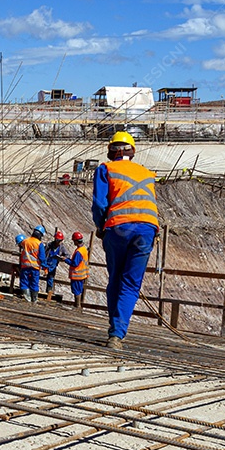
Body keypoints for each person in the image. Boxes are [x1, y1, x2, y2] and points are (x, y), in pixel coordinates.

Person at [92, 131, 159, 350]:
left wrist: (101, 226)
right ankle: (117, 335)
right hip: (147, 228)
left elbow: (100, 204)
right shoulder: (147, 173)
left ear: (112, 151)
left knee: (116, 279)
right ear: (132, 151)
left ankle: (114, 330)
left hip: (118, 227)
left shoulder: (106, 168)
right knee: (130, 283)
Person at [17, 225, 47, 303]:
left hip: (25, 266)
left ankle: (27, 299)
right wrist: (45, 268)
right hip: (35, 268)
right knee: (34, 283)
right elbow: (42, 257)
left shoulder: (25, 241)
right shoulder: (39, 244)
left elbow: (20, 244)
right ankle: (34, 299)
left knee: (24, 282)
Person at [64, 231, 89, 311]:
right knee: (78, 291)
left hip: (77, 275)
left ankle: (77, 307)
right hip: (82, 275)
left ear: (76, 241)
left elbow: (75, 263)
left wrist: (65, 260)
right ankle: (77, 306)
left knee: (76, 291)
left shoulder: (79, 252)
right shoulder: (83, 249)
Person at [43, 231, 67, 298]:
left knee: (50, 278)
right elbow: (43, 252)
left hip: (53, 265)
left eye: (60, 240)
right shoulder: (49, 245)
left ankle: (48, 292)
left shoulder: (61, 247)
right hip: (46, 262)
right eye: (57, 240)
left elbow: (67, 255)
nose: (58, 242)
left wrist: (63, 257)